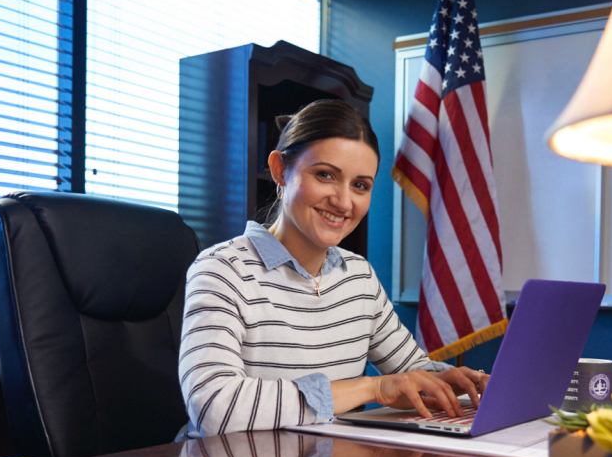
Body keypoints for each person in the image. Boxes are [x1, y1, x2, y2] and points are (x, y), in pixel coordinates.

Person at [178, 99, 488, 437]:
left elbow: (411, 373)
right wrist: (372, 389)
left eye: (360, 185)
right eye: (325, 175)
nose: (343, 202)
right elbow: (212, 407)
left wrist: (458, 381)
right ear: (280, 170)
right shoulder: (222, 269)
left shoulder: (358, 276)